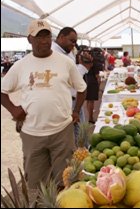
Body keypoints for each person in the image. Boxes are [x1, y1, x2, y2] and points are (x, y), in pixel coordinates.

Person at [1, 19, 87, 189]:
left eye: (47, 36)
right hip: (32, 134)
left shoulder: (65, 62)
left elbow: (81, 88)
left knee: (66, 181)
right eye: (39, 37)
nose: (45, 41)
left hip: (62, 131)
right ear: (30, 39)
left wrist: (76, 111)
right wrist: (13, 110)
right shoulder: (20, 65)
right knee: (36, 183)